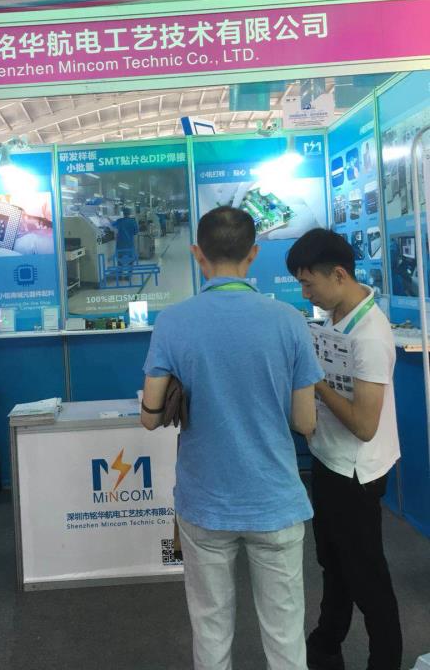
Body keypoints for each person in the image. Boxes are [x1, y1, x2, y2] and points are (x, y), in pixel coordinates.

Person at [141, 206, 323, 670]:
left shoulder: (173, 321)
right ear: (254, 254)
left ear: (197, 254)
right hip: (275, 499)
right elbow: (305, 421)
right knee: (285, 635)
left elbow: (150, 417)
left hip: (205, 501)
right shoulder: (289, 320)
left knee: (210, 626)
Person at [286, 228, 402, 670]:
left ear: (338, 274)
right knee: (333, 564)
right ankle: (326, 646)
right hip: (328, 459)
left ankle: (384, 660)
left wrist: (315, 381)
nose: (305, 293)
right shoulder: (336, 315)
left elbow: (365, 425)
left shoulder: (369, 335)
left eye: (308, 283)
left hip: (356, 472)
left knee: (367, 577)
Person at [112, 207, 138, 276]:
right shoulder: (133, 221)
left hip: (120, 244)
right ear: (129, 213)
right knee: (131, 259)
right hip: (129, 243)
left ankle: (120, 274)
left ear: (123, 213)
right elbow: (136, 232)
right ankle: (129, 274)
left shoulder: (119, 221)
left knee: (120, 259)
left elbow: (112, 225)